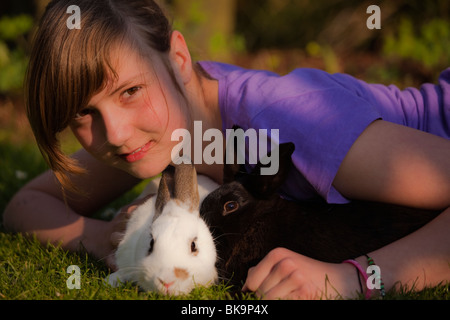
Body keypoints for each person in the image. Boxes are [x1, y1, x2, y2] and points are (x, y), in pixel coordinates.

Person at [3, 0, 449, 300]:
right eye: (83, 113)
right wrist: (105, 238)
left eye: (130, 91)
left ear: (177, 60)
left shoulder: (289, 121)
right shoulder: (160, 135)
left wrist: (357, 277)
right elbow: (28, 203)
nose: (115, 132)